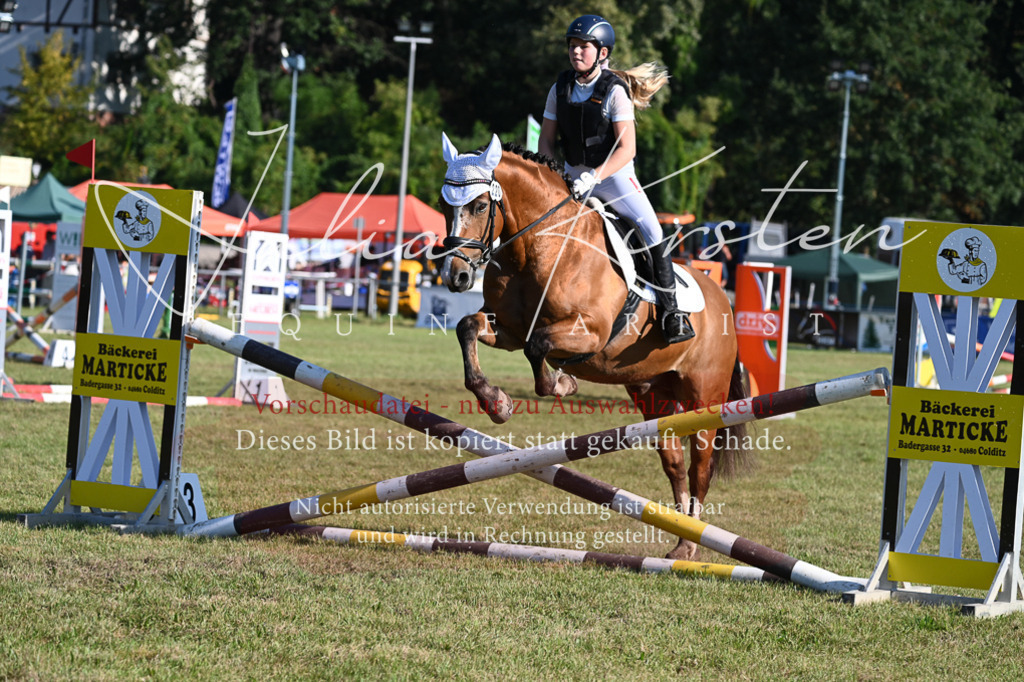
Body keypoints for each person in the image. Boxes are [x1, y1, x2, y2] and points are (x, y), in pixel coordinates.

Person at [538, 14, 694, 343]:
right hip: (570, 175)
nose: (576, 52)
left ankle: (673, 312)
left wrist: (594, 176)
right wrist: (552, 173)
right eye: (572, 45)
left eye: (584, 47)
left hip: (613, 177)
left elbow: (627, 149)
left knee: (651, 228)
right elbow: (546, 141)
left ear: (603, 53)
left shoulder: (615, 92)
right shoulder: (559, 88)